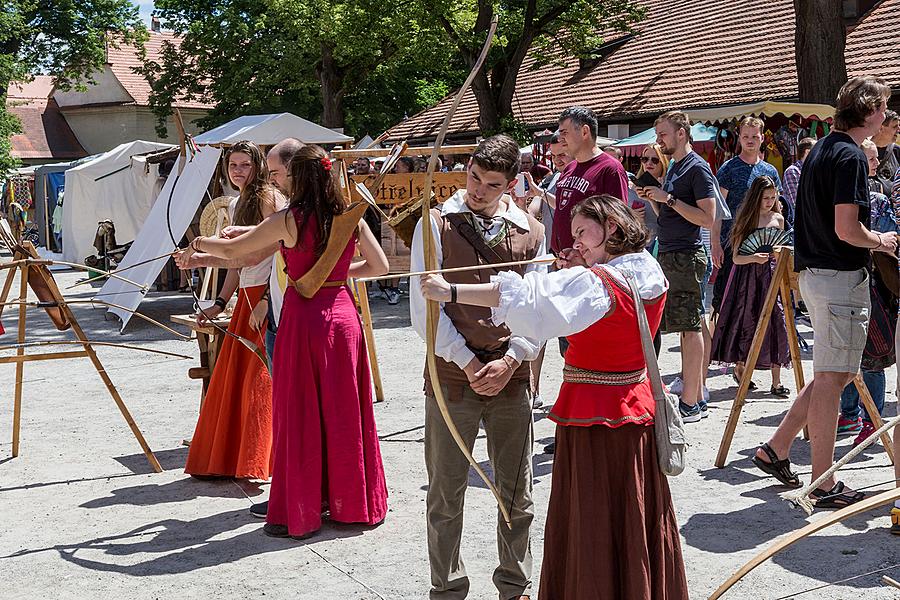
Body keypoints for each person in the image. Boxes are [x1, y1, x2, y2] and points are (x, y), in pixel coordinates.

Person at [419, 194, 688, 600]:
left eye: (583, 232)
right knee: (629, 516)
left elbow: (532, 301)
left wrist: (451, 290)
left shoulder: (599, 283)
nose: (575, 241)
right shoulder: (644, 268)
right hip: (633, 411)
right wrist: (580, 266)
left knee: (595, 519)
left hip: (599, 419)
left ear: (611, 229)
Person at [183, 144, 390, 539]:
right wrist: (336, 278)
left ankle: (305, 507)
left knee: (299, 412)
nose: (278, 180)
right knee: (345, 411)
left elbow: (232, 251)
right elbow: (379, 266)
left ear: (297, 178)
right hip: (343, 317)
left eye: (284, 175)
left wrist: (198, 245)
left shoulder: (288, 219)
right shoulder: (350, 217)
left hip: (303, 318)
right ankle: (351, 504)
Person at [409, 134, 545, 600]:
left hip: (512, 374)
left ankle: (515, 585)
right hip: (452, 375)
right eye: (473, 177)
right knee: (446, 494)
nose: (479, 190)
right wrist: (468, 363)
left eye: (491, 183)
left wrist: (511, 358)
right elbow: (421, 311)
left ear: (509, 184)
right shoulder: (434, 225)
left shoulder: (530, 229)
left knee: (516, 494)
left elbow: (539, 309)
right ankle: (446, 590)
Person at [753, 76, 895, 507]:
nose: (886, 117)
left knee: (830, 373)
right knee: (833, 378)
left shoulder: (822, 150)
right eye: (884, 108)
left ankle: (776, 448)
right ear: (868, 111)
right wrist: (882, 240)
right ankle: (824, 482)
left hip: (816, 275)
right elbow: (847, 229)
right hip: (838, 278)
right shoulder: (849, 156)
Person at [176, 138, 301, 518]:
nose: (238, 172)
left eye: (246, 165)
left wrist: (199, 255)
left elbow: (267, 250)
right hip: (247, 293)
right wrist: (219, 300)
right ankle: (233, 458)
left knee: (259, 383)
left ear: (260, 166)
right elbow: (236, 264)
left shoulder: (268, 199)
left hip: (269, 293)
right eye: (233, 165)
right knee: (234, 381)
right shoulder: (235, 202)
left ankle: (263, 461)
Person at [636, 110, 716, 423]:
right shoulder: (678, 167)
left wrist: (666, 198)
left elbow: (706, 217)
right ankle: (692, 395)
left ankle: (692, 401)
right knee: (684, 327)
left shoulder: (697, 168)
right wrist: (653, 197)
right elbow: (673, 212)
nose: (658, 141)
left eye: (663, 135)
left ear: (681, 134)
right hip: (671, 252)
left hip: (686, 254)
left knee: (690, 326)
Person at [837, 139, 898, 446]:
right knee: (849, 355)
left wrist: (871, 240)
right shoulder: (845, 194)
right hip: (850, 279)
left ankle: (872, 418)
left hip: (878, 284)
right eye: (868, 159)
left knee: (873, 354)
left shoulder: (881, 198)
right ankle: (849, 413)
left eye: (875, 159)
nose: (874, 164)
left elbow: (891, 239)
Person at [710, 176, 791, 396]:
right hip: (748, 280)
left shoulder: (779, 218)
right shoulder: (746, 219)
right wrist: (754, 257)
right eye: (765, 197)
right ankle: (742, 370)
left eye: (773, 197)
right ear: (756, 197)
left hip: (772, 276)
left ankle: (777, 381)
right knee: (747, 322)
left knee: (778, 323)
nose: (769, 201)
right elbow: (736, 258)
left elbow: (784, 248)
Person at [711, 117, 782, 314]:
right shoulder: (728, 169)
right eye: (745, 136)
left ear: (762, 138)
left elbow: (777, 207)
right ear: (739, 138)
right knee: (726, 303)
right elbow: (718, 209)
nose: (750, 140)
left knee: (760, 305)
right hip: (732, 243)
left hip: (763, 246)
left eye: (754, 136)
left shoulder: (770, 171)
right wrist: (715, 244)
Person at [550, 106, 629, 254]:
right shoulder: (569, 168)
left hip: (589, 262)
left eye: (564, 133)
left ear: (584, 131)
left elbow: (618, 223)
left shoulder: (610, 169)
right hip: (563, 259)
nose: (560, 139)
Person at [782, 137, 817, 227]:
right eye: (817, 151)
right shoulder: (792, 171)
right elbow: (797, 201)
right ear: (807, 152)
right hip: (799, 225)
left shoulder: (815, 171)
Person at [873, 109, 899, 180]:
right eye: (894, 127)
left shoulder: (896, 150)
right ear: (881, 128)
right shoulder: (864, 149)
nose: (898, 130)